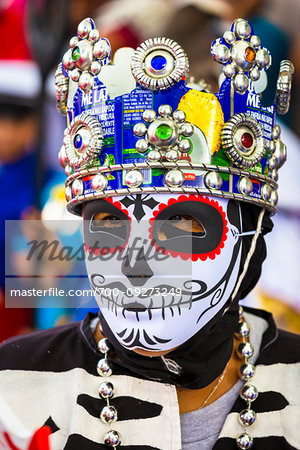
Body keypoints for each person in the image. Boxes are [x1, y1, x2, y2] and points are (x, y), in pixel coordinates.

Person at [0, 17, 299, 450]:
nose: (135, 267)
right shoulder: (13, 388)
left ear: (248, 238)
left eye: (181, 227)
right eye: (108, 225)